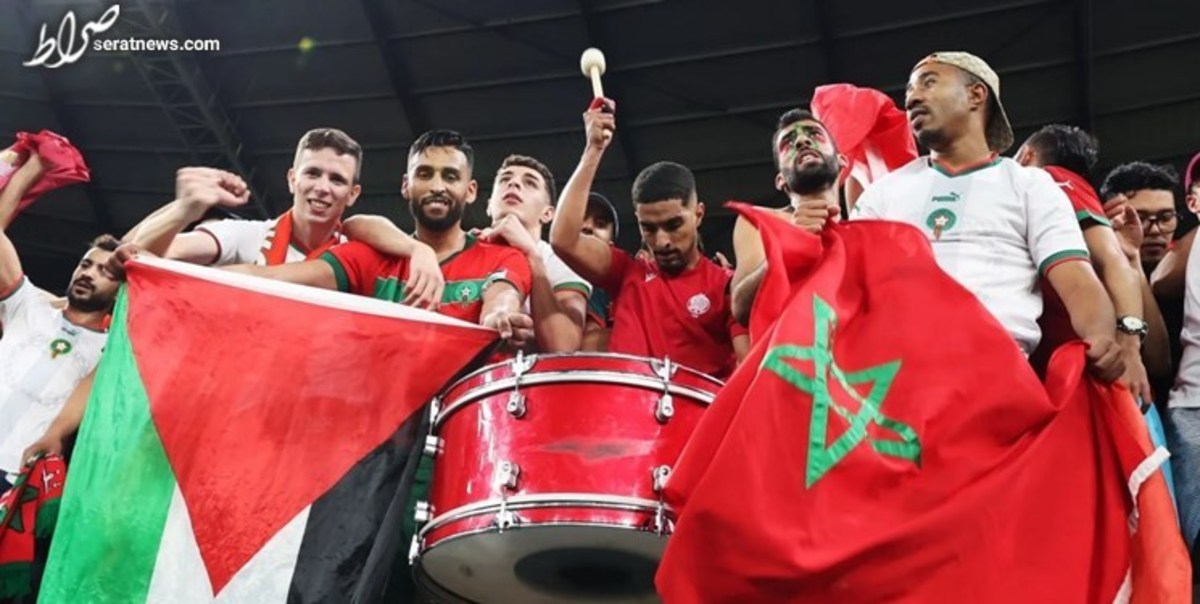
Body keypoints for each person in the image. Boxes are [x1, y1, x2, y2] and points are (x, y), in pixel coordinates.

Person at [848, 52, 1122, 382]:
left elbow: (1077, 282)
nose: (912, 99)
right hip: (897, 380)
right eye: (908, 91)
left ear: (976, 95)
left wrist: (1101, 337)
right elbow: (847, 286)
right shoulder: (881, 193)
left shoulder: (1030, 185)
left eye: (928, 83)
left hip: (998, 377)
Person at [550, 99, 749, 380]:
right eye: (649, 228)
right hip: (625, 405)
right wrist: (593, 150)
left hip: (700, 408)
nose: (662, 241)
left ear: (698, 214)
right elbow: (563, 239)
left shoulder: (726, 286)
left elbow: (748, 369)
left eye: (673, 225)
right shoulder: (626, 273)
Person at [1014, 124, 1161, 400]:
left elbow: (1113, 260)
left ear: (1027, 156)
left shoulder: (1049, 179)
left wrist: (1129, 348)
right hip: (1054, 375)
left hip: (1087, 376)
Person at [0, 152, 119, 488]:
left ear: (121, 290)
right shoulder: (29, 306)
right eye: (86, 264)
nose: (89, 274)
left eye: (105, 272)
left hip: (16, 476)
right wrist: (33, 168)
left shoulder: (112, 350)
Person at [730, 108, 844, 326]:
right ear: (780, 180)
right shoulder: (760, 222)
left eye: (814, 134)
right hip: (790, 346)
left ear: (842, 161)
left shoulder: (860, 232)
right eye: (787, 143)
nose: (802, 141)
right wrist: (789, 247)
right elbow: (741, 309)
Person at [477, 154, 590, 352]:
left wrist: (533, 256)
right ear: (489, 205)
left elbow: (564, 346)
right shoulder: (464, 247)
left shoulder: (562, 260)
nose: (513, 183)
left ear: (548, 214)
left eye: (530, 183)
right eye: (505, 179)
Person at [581, 192, 619, 352]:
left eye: (600, 224)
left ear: (611, 246)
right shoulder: (540, 272)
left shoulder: (622, 288)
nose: (588, 227)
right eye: (579, 219)